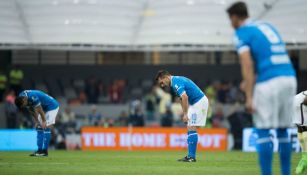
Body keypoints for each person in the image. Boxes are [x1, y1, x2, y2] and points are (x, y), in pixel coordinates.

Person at [226, 2, 297, 175]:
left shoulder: (241, 33)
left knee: (263, 130)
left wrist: (249, 96)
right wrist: (253, 79)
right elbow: (272, 56)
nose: (230, 23)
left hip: (269, 82)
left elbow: (247, 63)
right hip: (289, 77)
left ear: (235, 17)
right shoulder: (267, 26)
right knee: (283, 129)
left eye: (230, 19)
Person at [155, 70, 209, 162]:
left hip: (199, 102)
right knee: (190, 127)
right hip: (196, 102)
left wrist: (185, 114)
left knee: (191, 126)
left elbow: (184, 97)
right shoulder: (175, 82)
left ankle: (191, 157)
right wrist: (185, 113)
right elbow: (181, 98)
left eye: (162, 82)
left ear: (166, 77)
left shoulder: (176, 82)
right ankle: (190, 156)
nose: (162, 85)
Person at [15, 90, 59, 157]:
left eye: (24, 105)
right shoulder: (22, 98)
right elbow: (31, 110)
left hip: (52, 106)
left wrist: (44, 121)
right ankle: (39, 151)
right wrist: (37, 122)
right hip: (45, 108)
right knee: (39, 127)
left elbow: (40, 110)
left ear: (24, 99)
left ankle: (45, 151)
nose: (24, 106)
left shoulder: (32, 96)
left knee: (46, 126)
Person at [293, 90, 307, 174]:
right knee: (305, 126)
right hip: (302, 102)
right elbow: (306, 100)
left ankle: (304, 158)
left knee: (301, 127)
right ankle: (305, 159)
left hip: (296, 101)